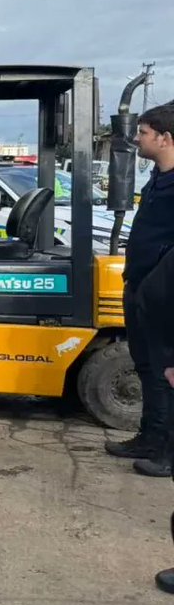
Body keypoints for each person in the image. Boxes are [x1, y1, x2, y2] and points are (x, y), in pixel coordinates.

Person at [106, 103, 174, 479]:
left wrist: (156, 284)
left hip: (163, 293)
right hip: (142, 288)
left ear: (165, 138)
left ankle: (168, 452)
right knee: (147, 367)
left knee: (167, 372)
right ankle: (150, 438)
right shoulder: (158, 179)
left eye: (144, 133)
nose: (137, 138)